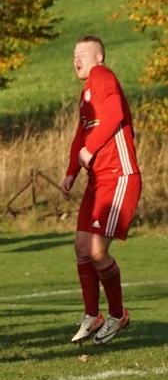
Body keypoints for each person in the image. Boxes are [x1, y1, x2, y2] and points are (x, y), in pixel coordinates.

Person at [60, 35, 141, 345]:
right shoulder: (86, 94)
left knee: (96, 251)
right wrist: (71, 172)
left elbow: (116, 113)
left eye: (83, 53)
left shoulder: (102, 76)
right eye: (74, 54)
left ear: (99, 58)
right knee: (82, 247)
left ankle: (118, 315)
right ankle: (92, 315)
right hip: (97, 181)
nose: (76, 59)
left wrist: (90, 149)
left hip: (119, 177)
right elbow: (80, 136)